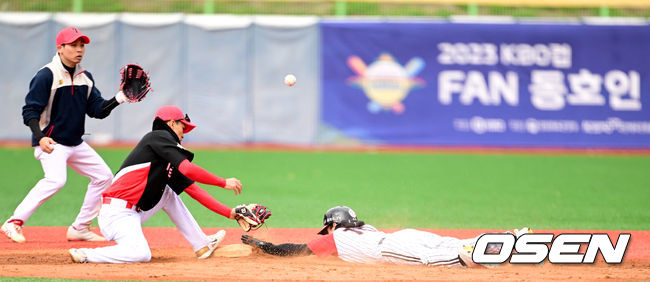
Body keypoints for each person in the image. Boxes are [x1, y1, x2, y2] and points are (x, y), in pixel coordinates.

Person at [2, 26, 134, 243]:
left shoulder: (85, 77)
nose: (79, 49)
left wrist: (119, 98)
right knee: (56, 180)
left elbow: (97, 111)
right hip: (52, 142)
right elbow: (30, 111)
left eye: (82, 45)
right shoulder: (47, 75)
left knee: (103, 177)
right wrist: (40, 136)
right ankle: (13, 222)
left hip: (75, 143)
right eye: (73, 45)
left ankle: (80, 228)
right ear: (60, 48)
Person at [68, 105, 245, 263]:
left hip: (133, 212)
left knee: (168, 193)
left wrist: (231, 214)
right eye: (183, 126)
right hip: (117, 214)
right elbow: (189, 169)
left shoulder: (165, 159)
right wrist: (223, 182)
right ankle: (86, 254)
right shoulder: (157, 137)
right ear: (171, 124)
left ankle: (202, 245)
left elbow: (194, 190)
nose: (184, 133)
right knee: (141, 254)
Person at [242, 206, 531, 267]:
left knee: (432, 258)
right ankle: (509, 239)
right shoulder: (362, 229)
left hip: (392, 248)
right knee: (446, 242)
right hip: (401, 236)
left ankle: (471, 255)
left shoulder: (335, 238)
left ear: (333, 225)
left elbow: (297, 249)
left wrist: (264, 245)